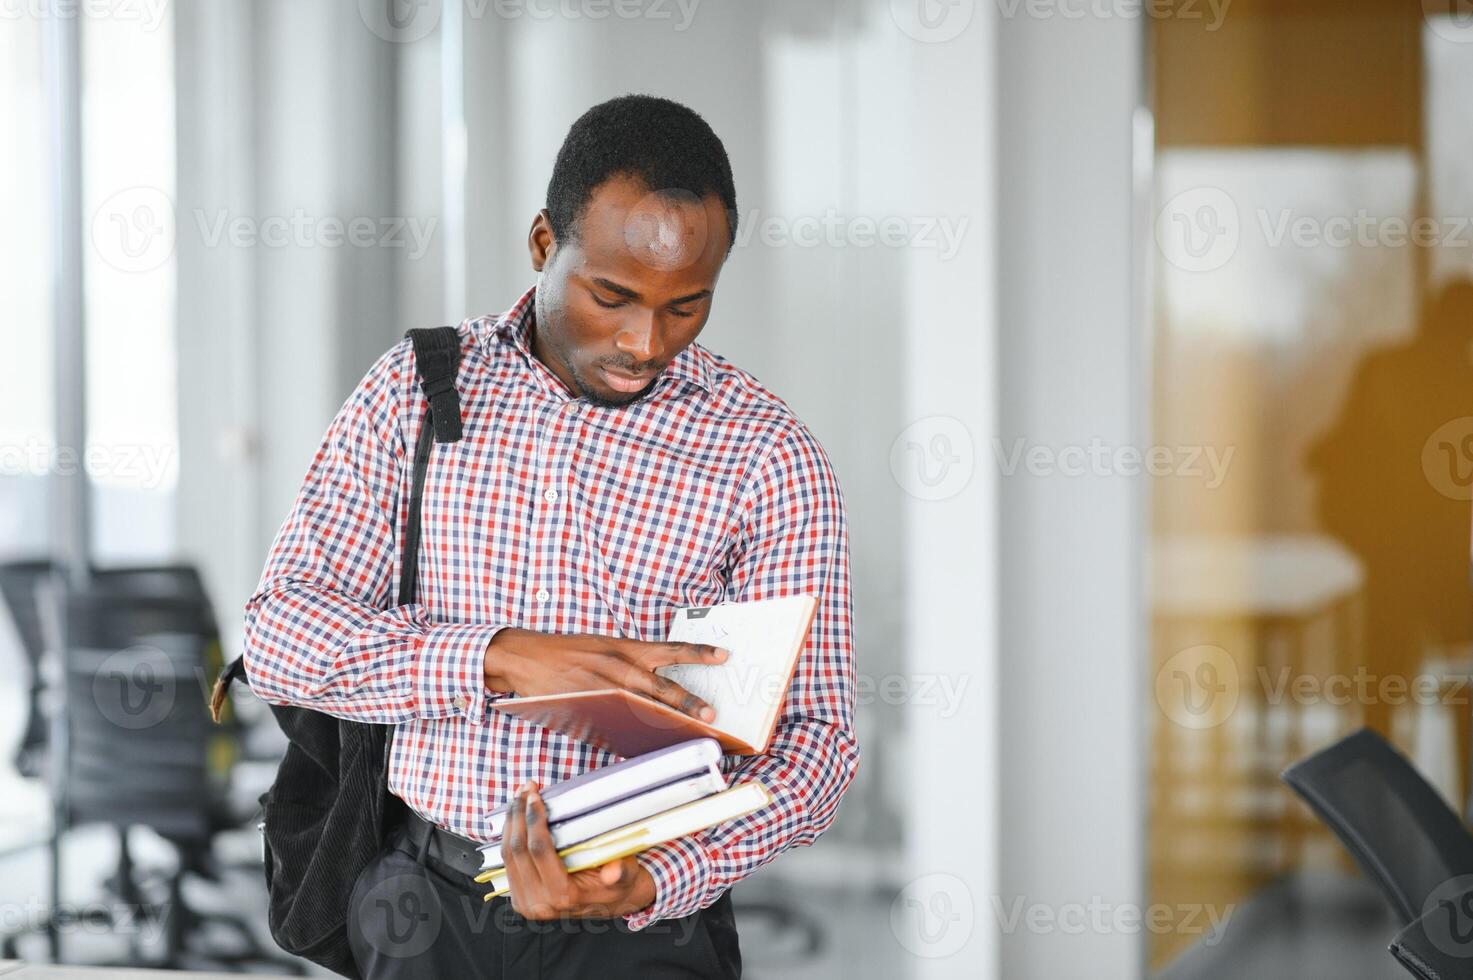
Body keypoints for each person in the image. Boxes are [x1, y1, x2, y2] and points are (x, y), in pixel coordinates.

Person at [241, 93, 859, 978]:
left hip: (646, 927)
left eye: (686, 305)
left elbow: (817, 745)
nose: (644, 342)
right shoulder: (415, 394)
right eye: (611, 295)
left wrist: (660, 877)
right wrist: (501, 658)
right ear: (542, 246)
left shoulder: (765, 452)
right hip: (423, 907)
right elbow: (278, 639)